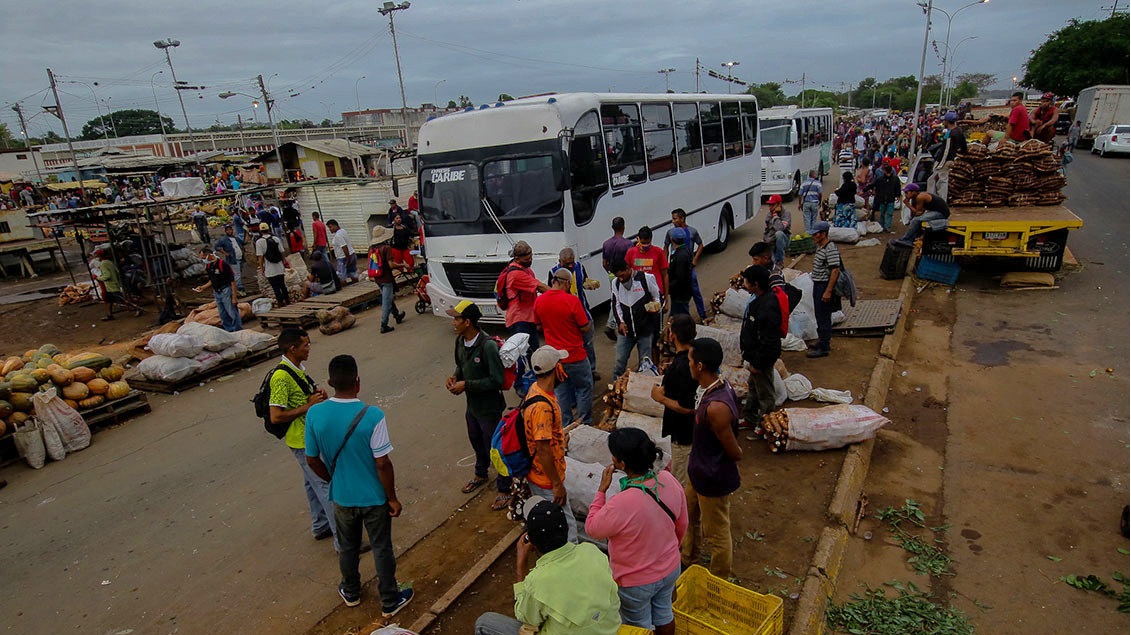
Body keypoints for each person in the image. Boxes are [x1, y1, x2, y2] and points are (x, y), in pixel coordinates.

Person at [304, 355, 414, 615]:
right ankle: (389, 600)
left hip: (341, 497)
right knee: (381, 547)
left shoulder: (315, 413)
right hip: (374, 498)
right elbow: (383, 464)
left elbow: (311, 459)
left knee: (348, 546)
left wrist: (333, 479)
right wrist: (393, 498)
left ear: (330, 382)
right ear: (358, 382)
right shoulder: (372, 415)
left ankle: (351, 591)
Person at [585, 428, 689, 635]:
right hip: (670, 568)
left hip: (635, 582)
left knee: (638, 625)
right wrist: (668, 553)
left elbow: (592, 529)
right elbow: (682, 523)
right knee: (664, 613)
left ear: (621, 464)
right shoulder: (668, 480)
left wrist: (601, 491)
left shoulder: (620, 503)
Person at [473, 497, 620, 635]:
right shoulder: (592, 551)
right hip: (609, 630)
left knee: (484, 622)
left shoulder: (537, 581)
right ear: (566, 530)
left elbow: (526, 618)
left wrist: (521, 567)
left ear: (532, 544)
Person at [268, 328, 337, 549]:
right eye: (305, 345)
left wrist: (315, 397)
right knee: (325, 486)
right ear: (292, 349)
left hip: (308, 435)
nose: (309, 349)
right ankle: (343, 541)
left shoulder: (296, 370)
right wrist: (309, 406)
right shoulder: (280, 377)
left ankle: (320, 525)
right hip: (301, 440)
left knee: (311, 483)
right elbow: (276, 415)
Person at [681, 338, 742, 580]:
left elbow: (733, 449)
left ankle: (719, 579)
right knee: (688, 516)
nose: (688, 364)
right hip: (697, 471)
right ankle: (689, 558)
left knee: (716, 533)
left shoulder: (717, 407)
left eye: (689, 360)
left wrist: (738, 455)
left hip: (712, 476)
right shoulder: (715, 389)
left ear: (699, 366)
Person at [446, 301, 511, 511]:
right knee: (475, 440)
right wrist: (455, 376)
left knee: (495, 448)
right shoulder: (460, 341)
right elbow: (460, 365)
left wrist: (467, 385)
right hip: (472, 406)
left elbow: (497, 380)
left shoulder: (488, 346)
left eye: (456, 318)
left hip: (489, 408)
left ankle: (504, 487)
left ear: (467, 322)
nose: (453, 322)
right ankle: (480, 473)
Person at [523, 346, 578, 543]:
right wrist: (556, 485)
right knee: (567, 527)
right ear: (556, 369)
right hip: (546, 479)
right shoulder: (542, 408)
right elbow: (543, 449)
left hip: (541, 475)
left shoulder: (536, 391)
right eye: (560, 364)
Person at [534, 269, 593, 426]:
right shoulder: (572, 301)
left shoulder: (539, 301)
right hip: (575, 355)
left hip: (555, 359)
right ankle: (584, 423)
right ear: (566, 283)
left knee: (561, 392)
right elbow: (585, 327)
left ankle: (565, 425)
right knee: (584, 387)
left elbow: (538, 326)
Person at [650, 314, 697, 485]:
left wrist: (660, 398)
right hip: (692, 430)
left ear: (673, 336)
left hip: (684, 432)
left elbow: (687, 407)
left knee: (682, 480)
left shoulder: (683, 366)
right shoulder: (694, 356)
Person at [738, 266, 781, 428]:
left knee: (765, 393)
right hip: (755, 357)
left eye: (747, 281)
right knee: (754, 388)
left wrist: (758, 363)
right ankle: (750, 418)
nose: (744, 284)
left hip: (761, 359)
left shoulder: (767, 306)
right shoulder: (758, 301)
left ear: (755, 284)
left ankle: (767, 425)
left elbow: (767, 340)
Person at [547, 247, 599, 380]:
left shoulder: (579, 267)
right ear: (560, 261)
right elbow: (550, 293)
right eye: (567, 263)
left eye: (572, 262)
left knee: (588, 344)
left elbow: (585, 281)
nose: (570, 266)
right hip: (566, 317)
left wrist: (590, 284)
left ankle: (591, 370)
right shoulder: (553, 272)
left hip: (583, 311)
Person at [609, 258, 662, 379]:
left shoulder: (646, 278)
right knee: (619, 362)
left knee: (645, 364)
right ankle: (617, 386)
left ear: (628, 268)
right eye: (618, 277)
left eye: (622, 275)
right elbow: (616, 304)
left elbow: (658, 297)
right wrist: (620, 322)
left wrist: (655, 307)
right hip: (626, 332)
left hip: (645, 330)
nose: (621, 279)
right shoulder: (616, 283)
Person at [501, 241, 549, 353]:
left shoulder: (526, 269)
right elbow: (540, 287)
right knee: (521, 355)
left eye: (531, 258)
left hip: (528, 317)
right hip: (519, 319)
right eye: (527, 259)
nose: (530, 261)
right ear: (517, 258)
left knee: (534, 352)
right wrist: (561, 295)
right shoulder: (516, 274)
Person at [663, 209, 707, 319]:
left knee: (695, 291)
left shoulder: (692, 232)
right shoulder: (670, 233)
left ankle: (702, 314)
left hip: (688, 267)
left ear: (682, 218)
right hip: (676, 265)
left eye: (675, 218)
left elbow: (700, 244)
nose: (673, 221)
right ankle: (674, 315)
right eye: (672, 218)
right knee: (677, 293)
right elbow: (666, 247)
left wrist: (695, 259)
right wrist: (666, 263)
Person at [807, 221, 841, 359]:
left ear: (823, 234)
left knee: (823, 316)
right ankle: (821, 341)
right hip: (818, 285)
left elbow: (835, 270)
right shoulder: (821, 247)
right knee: (819, 315)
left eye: (816, 234)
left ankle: (824, 347)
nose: (813, 236)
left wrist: (828, 290)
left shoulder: (830, 248)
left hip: (824, 286)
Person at [367, 226, 409, 333]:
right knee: (386, 301)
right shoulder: (386, 248)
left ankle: (397, 315)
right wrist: (402, 265)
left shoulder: (371, 248)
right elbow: (391, 265)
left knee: (388, 298)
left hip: (377, 278)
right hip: (386, 278)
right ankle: (384, 324)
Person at [194, 247, 243, 332]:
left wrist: (234, 297)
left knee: (232, 312)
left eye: (203, 258)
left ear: (209, 255)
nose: (203, 260)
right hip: (217, 292)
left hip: (226, 291)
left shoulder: (223, 264)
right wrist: (203, 287)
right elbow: (212, 280)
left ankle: (237, 330)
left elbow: (232, 281)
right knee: (222, 314)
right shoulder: (209, 266)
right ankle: (229, 330)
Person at [601, 217, 634, 339]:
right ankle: (613, 324)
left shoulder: (606, 244)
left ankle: (613, 323)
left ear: (612, 228)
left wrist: (611, 273)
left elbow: (604, 263)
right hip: (624, 275)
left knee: (615, 297)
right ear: (623, 227)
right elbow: (631, 262)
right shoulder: (628, 244)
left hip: (611, 275)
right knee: (621, 299)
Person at [927, 112, 967, 201]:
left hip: (945, 160)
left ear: (947, 121)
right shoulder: (959, 131)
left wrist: (941, 163)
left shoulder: (950, 133)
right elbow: (964, 147)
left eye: (944, 121)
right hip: (951, 159)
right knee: (936, 179)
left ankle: (937, 201)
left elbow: (946, 150)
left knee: (940, 181)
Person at [93, 249, 142, 320]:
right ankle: (109, 315)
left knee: (121, 299)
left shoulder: (103, 264)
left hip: (111, 286)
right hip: (113, 284)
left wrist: (98, 278)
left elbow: (107, 276)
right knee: (109, 300)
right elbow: (117, 271)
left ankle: (138, 308)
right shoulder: (110, 262)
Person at [625, 226, 669, 303]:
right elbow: (626, 273)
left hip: (656, 293)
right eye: (643, 243)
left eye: (647, 243)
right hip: (637, 294)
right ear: (637, 239)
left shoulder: (658, 252)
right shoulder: (630, 253)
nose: (645, 246)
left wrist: (666, 298)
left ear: (651, 239)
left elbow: (665, 275)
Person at [255, 222, 290, 307]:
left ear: (260, 231)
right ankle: (287, 300)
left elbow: (260, 257)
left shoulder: (259, 242)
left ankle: (280, 302)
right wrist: (284, 263)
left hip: (270, 269)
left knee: (275, 287)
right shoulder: (276, 239)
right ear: (269, 229)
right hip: (279, 267)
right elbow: (282, 252)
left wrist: (262, 268)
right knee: (282, 285)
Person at [666, 229, 694, 317]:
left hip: (680, 293)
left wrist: (668, 287)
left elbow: (680, 277)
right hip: (681, 292)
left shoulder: (681, 255)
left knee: (681, 315)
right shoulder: (685, 250)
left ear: (672, 239)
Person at [215, 224, 245, 294]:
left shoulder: (236, 238)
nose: (229, 231)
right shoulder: (224, 240)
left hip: (240, 258)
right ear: (225, 231)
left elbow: (243, 243)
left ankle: (235, 286)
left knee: (238, 272)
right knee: (237, 274)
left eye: (230, 230)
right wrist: (225, 253)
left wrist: (246, 232)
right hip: (233, 259)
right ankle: (239, 288)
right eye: (228, 230)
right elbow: (217, 247)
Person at [762, 194, 791, 268]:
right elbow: (767, 231)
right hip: (771, 240)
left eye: (772, 205)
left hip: (783, 240)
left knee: (779, 234)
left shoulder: (786, 214)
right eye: (769, 205)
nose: (770, 207)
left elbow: (779, 228)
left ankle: (780, 261)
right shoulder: (769, 215)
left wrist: (775, 215)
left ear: (779, 204)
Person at [872, 162, 901, 232]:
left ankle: (885, 226)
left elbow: (873, 185)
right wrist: (898, 195)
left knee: (884, 213)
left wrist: (865, 190)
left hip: (885, 198)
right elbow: (898, 187)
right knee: (887, 213)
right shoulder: (894, 179)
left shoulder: (881, 179)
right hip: (888, 198)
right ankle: (885, 226)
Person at [327, 219, 359, 284]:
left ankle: (345, 290)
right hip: (352, 254)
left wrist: (347, 259)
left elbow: (344, 247)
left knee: (341, 276)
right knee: (353, 273)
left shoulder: (338, 236)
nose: (330, 229)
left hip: (343, 257)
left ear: (335, 225)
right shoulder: (343, 231)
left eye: (330, 227)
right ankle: (356, 285)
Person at [797, 169, 823, 234]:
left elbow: (800, 194)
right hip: (815, 203)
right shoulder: (818, 183)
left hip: (806, 203)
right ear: (814, 175)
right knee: (814, 219)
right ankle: (813, 232)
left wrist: (800, 204)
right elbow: (820, 194)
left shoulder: (804, 183)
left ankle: (808, 233)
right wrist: (820, 201)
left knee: (807, 219)